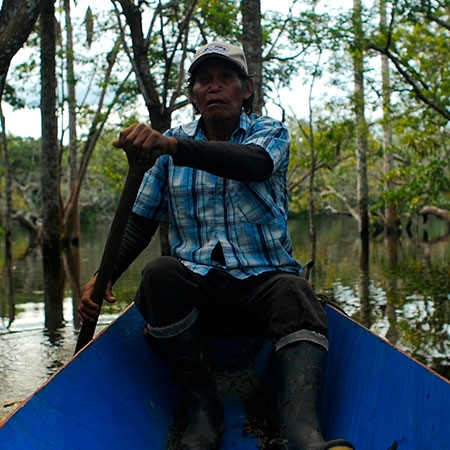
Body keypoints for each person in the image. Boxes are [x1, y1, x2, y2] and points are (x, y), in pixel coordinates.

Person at [79, 41, 354, 450]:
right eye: (204, 80)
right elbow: (139, 224)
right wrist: (102, 278)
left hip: (263, 285)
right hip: (199, 291)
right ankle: (205, 408)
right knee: (158, 275)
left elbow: (253, 163)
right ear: (192, 96)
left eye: (226, 78)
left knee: (296, 291)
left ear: (246, 89)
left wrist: (172, 147)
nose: (214, 87)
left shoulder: (269, 133)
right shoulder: (168, 145)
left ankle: (303, 434)